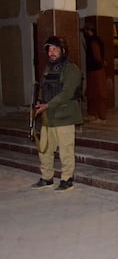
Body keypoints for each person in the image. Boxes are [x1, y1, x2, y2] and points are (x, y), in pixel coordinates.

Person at [30, 36, 84, 192]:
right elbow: (43, 87)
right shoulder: (49, 68)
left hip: (65, 116)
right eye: (49, 50)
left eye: (55, 49)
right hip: (49, 117)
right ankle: (47, 177)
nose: (51, 53)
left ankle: (67, 179)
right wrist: (40, 102)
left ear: (63, 50)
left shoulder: (71, 69)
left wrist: (47, 105)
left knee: (66, 150)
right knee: (45, 149)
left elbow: (66, 93)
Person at [81, 26, 108, 122]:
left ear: (89, 31)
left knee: (99, 93)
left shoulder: (93, 41)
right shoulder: (92, 40)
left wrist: (100, 62)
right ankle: (93, 114)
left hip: (97, 70)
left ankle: (101, 116)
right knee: (92, 93)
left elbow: (97, 56)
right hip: (94, 69)